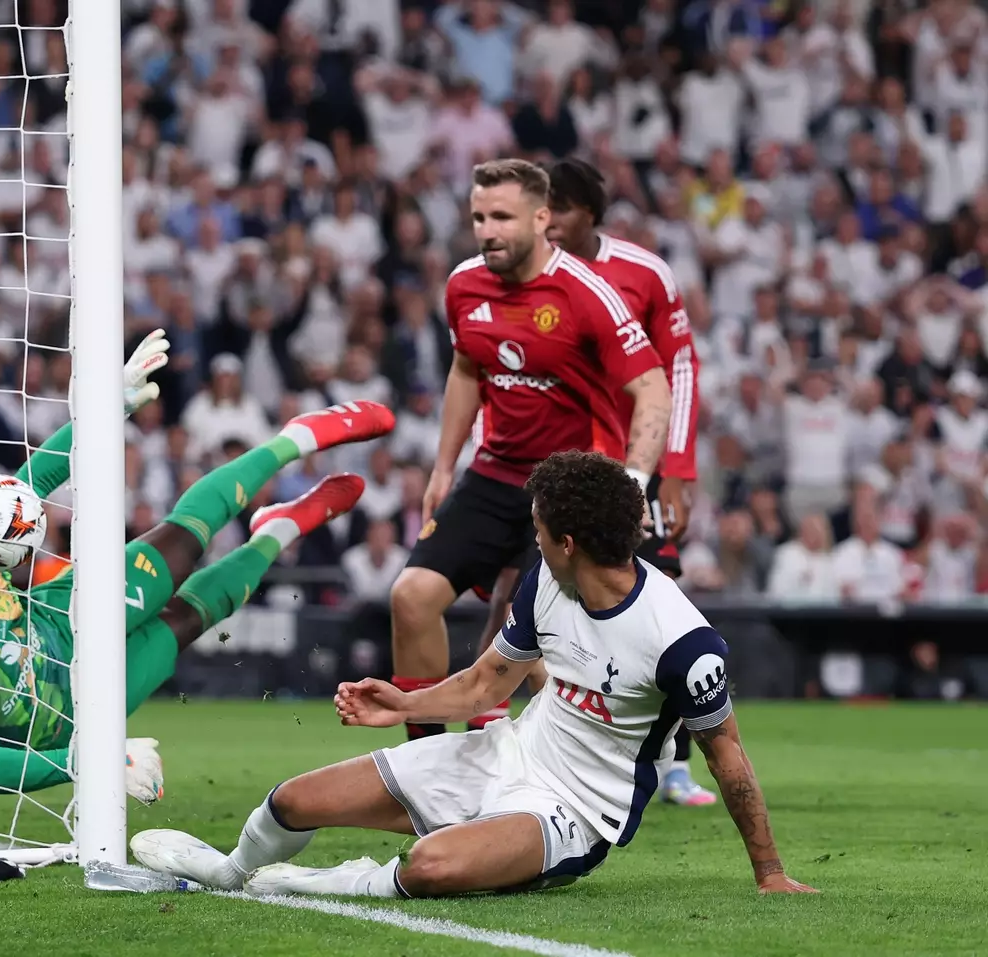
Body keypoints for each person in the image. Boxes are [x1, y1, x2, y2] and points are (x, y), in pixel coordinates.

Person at [131, 451, 817, 899]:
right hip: (504, 753)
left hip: (573, 813)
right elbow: (489, 681)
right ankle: (230, 872)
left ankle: (305, 882)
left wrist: (770, 872)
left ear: (570, 540)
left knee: (430, 866)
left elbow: (728, 757)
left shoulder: (683, 641)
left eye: (539, 527)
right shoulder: (550, 577)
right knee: (292, 800)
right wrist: (404, 702)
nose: (533, 536)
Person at [0, 331, 395, 799]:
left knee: (182, 546)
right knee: (186, 621)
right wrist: (85, 762)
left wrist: (106, 408)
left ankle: (295, 438)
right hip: (77, 709)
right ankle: (278, 529)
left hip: (62, 613)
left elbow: (26, 488)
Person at [387, 157, 672, 742]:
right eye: (478, 217)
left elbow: (653, 389)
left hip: (571, 487)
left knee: (543, 653)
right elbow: (466, 370)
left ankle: (570, 790)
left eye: (502, 217)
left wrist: (634, 485)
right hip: (492, 475)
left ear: (542, 218)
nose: (487, 230)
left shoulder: (589, 293)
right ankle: (426, 765)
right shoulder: (463, 286)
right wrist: (444, 467)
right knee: (411, 597)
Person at [467, 157, 715, 805]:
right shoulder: (517, 279)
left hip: (633, 465)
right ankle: (519, 725)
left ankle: (674, 759)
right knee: (521, 591)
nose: (553, 221)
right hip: (553, 467)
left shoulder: (642, 273)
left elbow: (678, 369)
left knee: (651, 598)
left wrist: (674, 473)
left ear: (585, 214)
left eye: (564, 209)